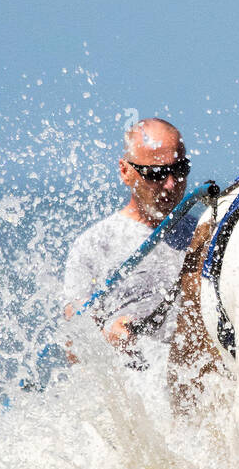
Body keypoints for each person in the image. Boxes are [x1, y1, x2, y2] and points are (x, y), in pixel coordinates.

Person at [60, 118, 196, 358]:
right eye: (156, 173)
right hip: (137, 384)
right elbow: (73, 346)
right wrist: (108, 337)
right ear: (125, 171)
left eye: (180, 170)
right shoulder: (95, 244)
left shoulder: (205, 234)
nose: (171, 184)